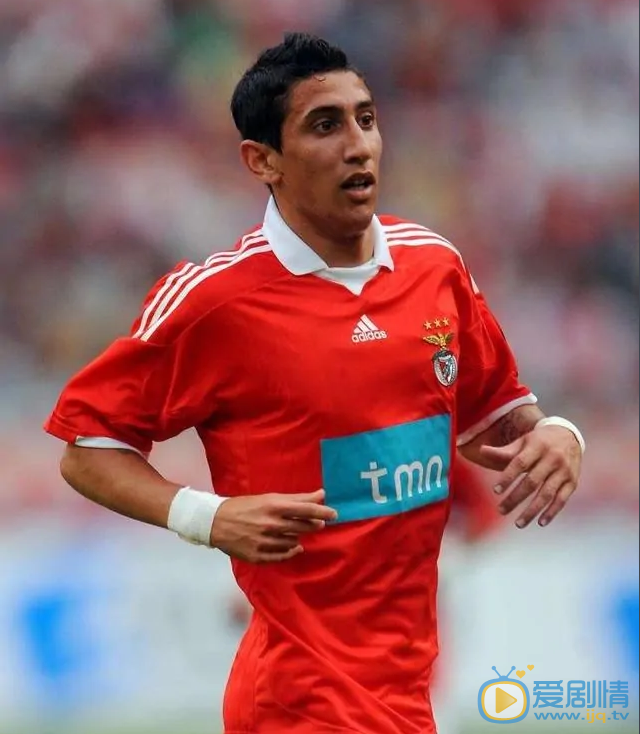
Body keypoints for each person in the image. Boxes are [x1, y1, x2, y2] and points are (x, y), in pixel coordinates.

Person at [44, 32, 584, 734]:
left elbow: (500, 421)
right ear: (262, 160)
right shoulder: (216, 301)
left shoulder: (434, 267)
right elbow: (86, 447)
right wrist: (208, 518)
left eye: (366, 118)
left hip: (407, 696)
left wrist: (559, 434)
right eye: (325, 126)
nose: (358, 145)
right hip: (297, 704)